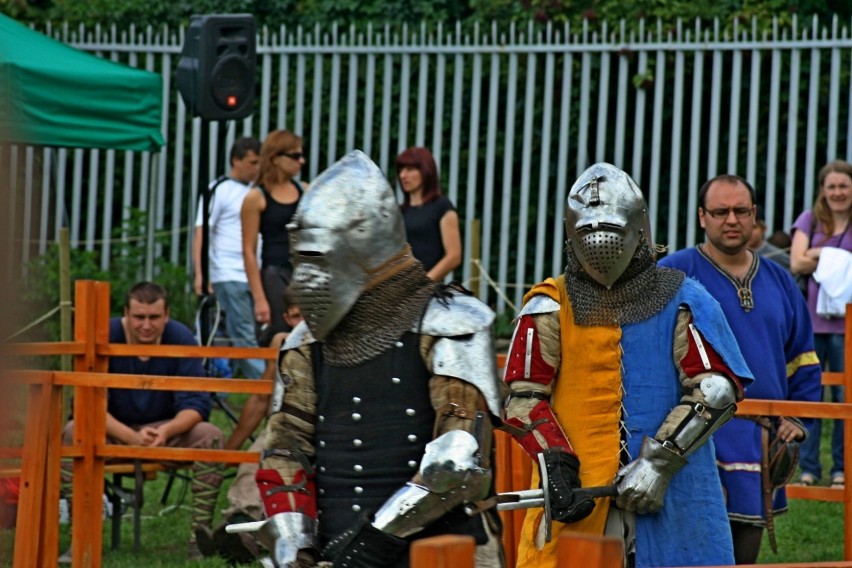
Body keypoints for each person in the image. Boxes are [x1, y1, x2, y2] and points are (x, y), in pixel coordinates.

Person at [243, 150, 505, 567]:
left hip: (441, 549)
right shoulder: (304, 342)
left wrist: (376, 540)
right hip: (332, 547)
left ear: (364, 248)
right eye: (300, 260)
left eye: (318, 258)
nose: (305, 278)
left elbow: (459, 459)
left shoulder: (450, 324)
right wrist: (294, 543)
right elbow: (286, 449)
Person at [504, 163, 754, 568]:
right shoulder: (550, 304)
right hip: (580, 493)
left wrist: (659, 463)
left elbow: (715, 389)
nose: (600, 243)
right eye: (587, 231)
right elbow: (524, 396)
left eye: (612, 229)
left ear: (638, 229)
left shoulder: (684, 297)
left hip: (674, 487)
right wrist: (557, 465)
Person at [659, 174, 821, 564]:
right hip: (692, 438)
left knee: (743, 555)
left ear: (754, 216)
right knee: (688, 553)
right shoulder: (671, 275)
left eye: (741, 211)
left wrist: (797, 418)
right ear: (702, 217)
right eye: (720, 211)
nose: (731, 219)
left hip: (759, 441)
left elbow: (803, 359)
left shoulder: (781, 281)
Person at [61, 282, 225, 560]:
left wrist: (166, 431)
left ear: (167, 315)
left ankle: (199, 538)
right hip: (111, 426)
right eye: (139, 317)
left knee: (210, 434)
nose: (146, 325)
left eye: (154, 317)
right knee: (73, 431)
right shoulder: (106, 333)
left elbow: (197, 404)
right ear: (126, 313)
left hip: (165, 428)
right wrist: (129, 437)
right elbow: (85, 404)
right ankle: (80, 538)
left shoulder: (181, 337)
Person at [197, 291, 304, 564]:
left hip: (320, 427)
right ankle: (238, 528)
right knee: (251, 462)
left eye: (306, 315)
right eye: (295, 316)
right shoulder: (282, 343)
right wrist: (231, 450)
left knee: (269, 459)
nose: (302, 323)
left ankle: (241, 535)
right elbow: (259, 399)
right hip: (281, 424)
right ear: (286, 318)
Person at [790, 159, 852, 490]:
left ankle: (842, 469)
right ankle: (808, 467)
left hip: (848, 327)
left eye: (844, 186)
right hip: (812, 323)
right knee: (811, 395)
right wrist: (836, 257)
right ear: (822, 190)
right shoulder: (810, 220)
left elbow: (808, 257)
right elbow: (797, 260)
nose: (838, 192)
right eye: (832, 186)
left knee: (845, 397)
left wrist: (819, 253)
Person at [192, 136, 265, 379]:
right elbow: (202, 232)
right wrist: (202, 274)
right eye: (253, 162)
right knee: (243, 333)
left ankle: (233, 384)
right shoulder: (219, 189)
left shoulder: (256, 192)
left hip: (255, 273)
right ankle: (267, 390)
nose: (257, 168)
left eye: (260, 162)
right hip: (229, 272)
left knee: (250, 332)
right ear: (236, 160)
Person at [241, 130, 308, 349]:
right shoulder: (256, 197)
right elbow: (249, 251)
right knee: (281, 336)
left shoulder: (306, 191)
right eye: (295, 156)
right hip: (274, 274)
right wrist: (259, 298)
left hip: (305, 272)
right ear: (276, 158)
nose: (301, 161)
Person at [397, 147, 462, 281]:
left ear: (426, 171)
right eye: (401, 170)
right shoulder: (399, 212)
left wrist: (423, 284)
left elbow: (454, 256)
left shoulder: (442, 207)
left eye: (409, 169)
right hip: (398, 290)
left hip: (428, 294)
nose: (403, 175)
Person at [748, 207, 791, 271]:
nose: (749, 231)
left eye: (754, 227)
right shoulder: (733, 253)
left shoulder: (777, 255)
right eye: (746, 227)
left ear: (763, 229)